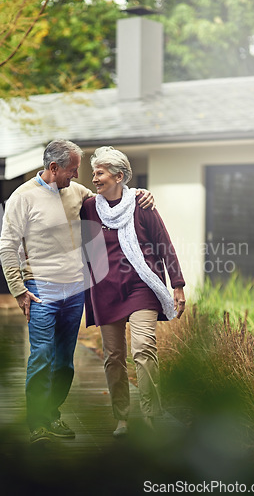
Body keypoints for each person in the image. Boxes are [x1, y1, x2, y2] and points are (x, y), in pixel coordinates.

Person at [0, 139, 154, 444]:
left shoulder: (77, 193)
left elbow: (112, 199)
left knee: (64, 360)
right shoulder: (23, 197)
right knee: (42, 354)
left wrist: (141, 195)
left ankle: (51, 414)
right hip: (40, 289)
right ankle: (37, 422)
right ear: (54, 168)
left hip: (74, 291)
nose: (78, 175)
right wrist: (18, 289)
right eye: (72, 169)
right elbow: (7, 246)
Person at [80, 146, 186, 438]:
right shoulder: (89, 206)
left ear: (119, 175)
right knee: (113, 356)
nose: (95, 177)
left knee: (143, 349)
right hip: (106, 290)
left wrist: (177, 284)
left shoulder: (141, 203)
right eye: (93, 172)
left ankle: (152, 414)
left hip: (142, 286)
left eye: (99, 172)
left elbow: (163, 244)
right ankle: (122, 418)